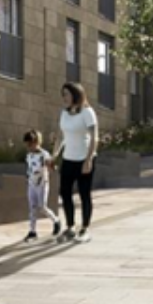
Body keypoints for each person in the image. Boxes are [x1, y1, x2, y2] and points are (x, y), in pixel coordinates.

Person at [57, 83, 101, 242]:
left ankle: (85, 228)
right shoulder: (64, 113)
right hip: (68, 159)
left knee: (84, 194)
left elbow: (94, 138)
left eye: (66, 94)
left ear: (75, 95)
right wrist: (55, 156)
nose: (64, 98)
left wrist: (88, 160)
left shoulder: (87, 112)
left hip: (84, 159)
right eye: (63, 94)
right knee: (65, 192)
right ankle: (70, 227)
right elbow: (60, 137)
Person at [22, 130, 61, 242]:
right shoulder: (29, 155)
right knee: (32, 208)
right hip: (31, 184)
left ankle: (56, 221)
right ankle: (32, 231)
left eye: (29, 144)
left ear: (36, 142)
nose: (28, 147)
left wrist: (52, 165)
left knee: (42, 207)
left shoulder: (44, 154)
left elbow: (52, 167)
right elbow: (30, 168)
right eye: (27, 145)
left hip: (42, 184)